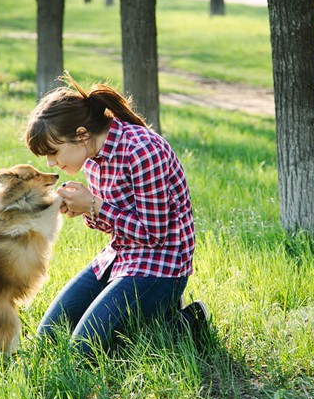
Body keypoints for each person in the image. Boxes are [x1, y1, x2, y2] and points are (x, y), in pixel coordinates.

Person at [23, 73, 208, 354]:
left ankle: (182, 322)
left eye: (54, 152)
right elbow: (112, 222)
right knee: (47, 339)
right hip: (119, 258)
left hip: (161, 267)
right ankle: (152, 316)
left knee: (83, 351)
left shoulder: (143, 151)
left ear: (82, 135)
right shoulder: (92, 156)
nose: (52, 163)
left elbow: (153, 234)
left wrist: (95, 205)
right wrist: (82, 208)